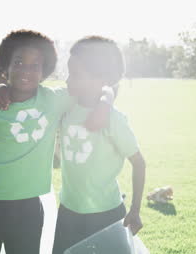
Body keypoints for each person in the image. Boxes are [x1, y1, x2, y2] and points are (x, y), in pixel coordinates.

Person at [0, 29, 113, 254]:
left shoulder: (55, 100)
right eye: (18, 62)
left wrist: (106, 102)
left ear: (44, 70)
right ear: (6, 65)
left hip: (28, 209)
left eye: (35, 65)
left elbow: (102, 86)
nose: (26, 70)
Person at [52, 36, 146, 254]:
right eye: (68, 72)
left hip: (107, 214)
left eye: (75, 74)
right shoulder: (65, 106)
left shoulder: (114, 119)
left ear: (100, 79)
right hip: (68, 212)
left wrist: (135, 210)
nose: (67, 80)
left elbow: (139, 163)